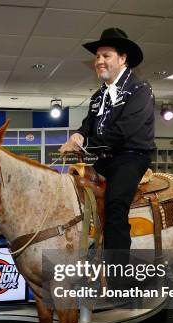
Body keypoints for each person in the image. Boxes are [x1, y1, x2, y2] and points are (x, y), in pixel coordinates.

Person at [59, 28, 156, 268]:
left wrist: (86, 144)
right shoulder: (98, 96)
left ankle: (119, 278)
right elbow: (88, 124)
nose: (99, 61)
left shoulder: (140, 90)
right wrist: (78, 136)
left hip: (131, 157)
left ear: (122, 59)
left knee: (114, 206)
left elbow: (123, 131)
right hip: (105, 157)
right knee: (76, 193)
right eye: (97, 56)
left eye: (106, 55)